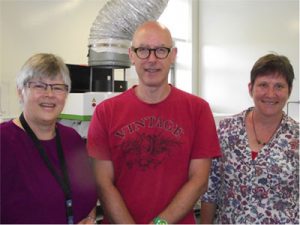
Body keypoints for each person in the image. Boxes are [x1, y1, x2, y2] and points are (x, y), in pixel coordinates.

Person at [87, 21, 221, 224]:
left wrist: (160, 224)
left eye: (160, 50)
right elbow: (103, 183)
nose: (151, 59)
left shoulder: (198, 110)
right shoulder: (106, 112)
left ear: (173, 55)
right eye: (143, 50)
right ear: (131, 55)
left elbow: (199, 181)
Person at [200, 53, 299, 224]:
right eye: (263, 85)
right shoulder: (226, 130)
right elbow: (211, 189)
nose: (270, 93)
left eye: (279, 86)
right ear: (250, 88)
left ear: (289, 91)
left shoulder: (296, 137)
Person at [0, 53, 98, 224]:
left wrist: (90, 218)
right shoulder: (4, 142)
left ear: (66, 94)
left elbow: (89, 193)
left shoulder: (72, 139)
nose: (49, 94)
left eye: (58, 87)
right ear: (20, 91)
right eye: (39, 86)